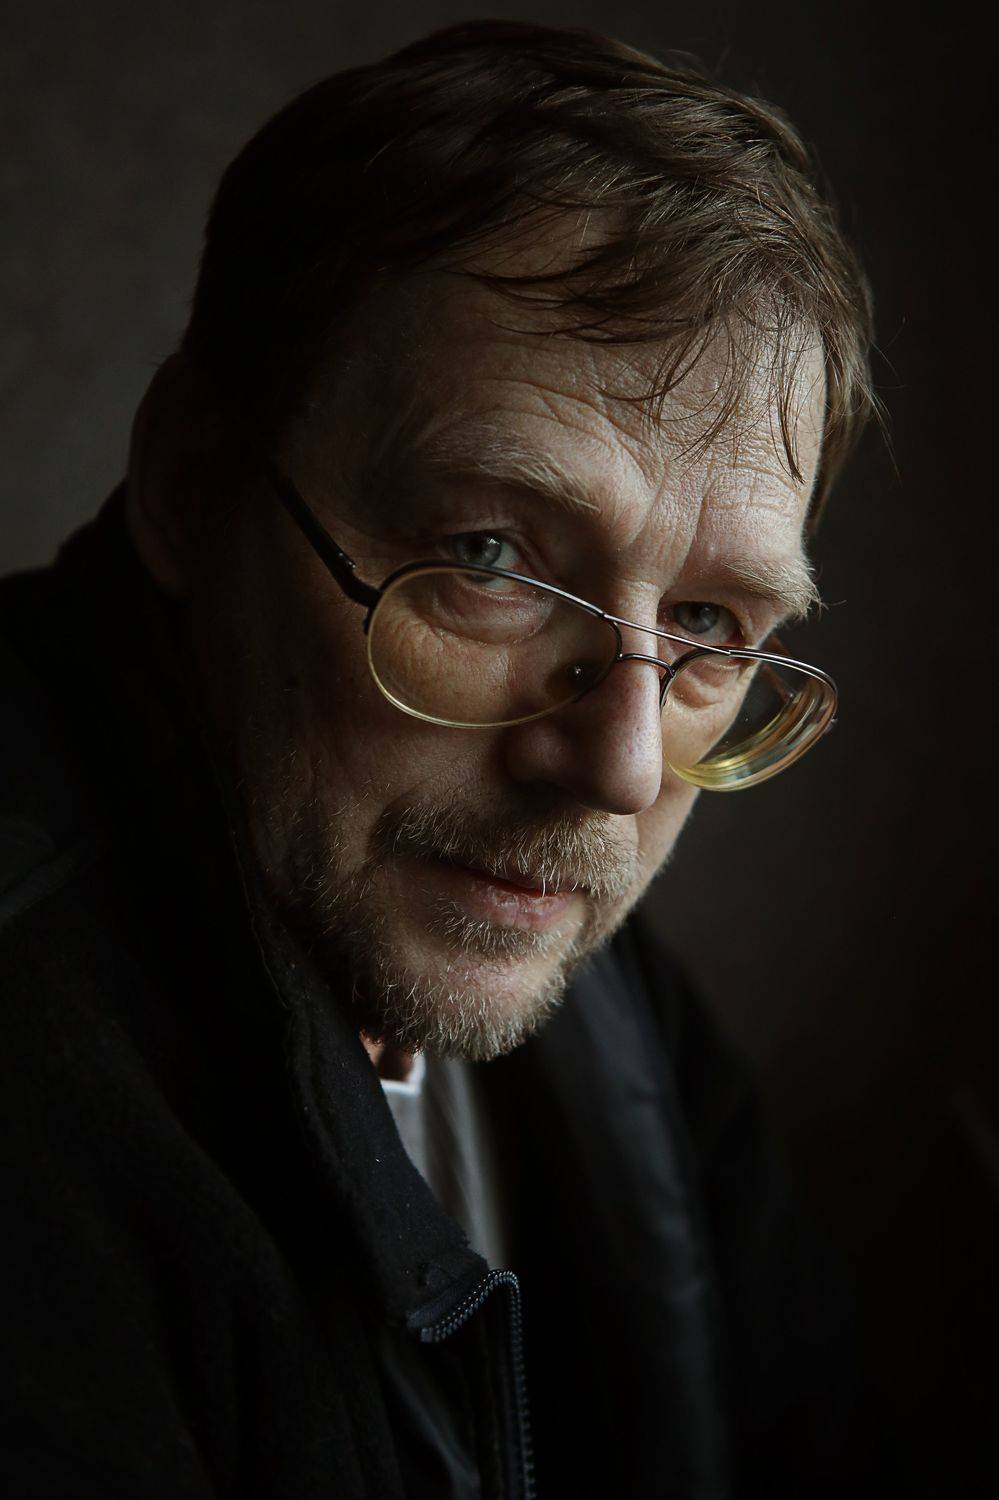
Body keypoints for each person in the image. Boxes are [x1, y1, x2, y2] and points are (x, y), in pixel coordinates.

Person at [1, 20, 880, 1499]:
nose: (618, 768)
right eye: (491, 559)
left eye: (711, 627)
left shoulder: (624, 1025)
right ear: (193, 481)